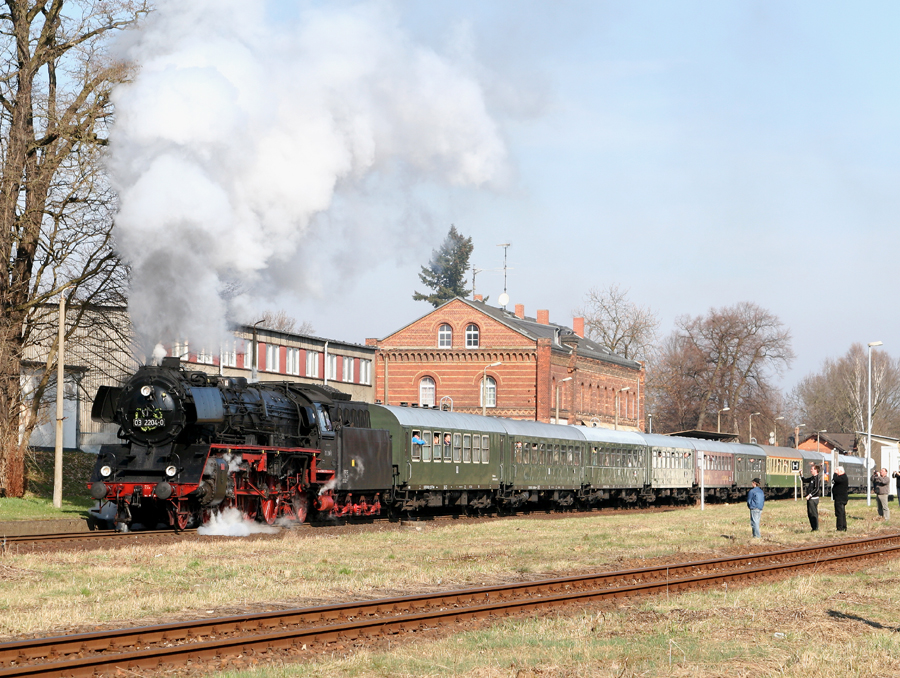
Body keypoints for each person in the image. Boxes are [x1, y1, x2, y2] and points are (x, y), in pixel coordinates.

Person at [800, 464, 821, 531]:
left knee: (813, 513)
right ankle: (813, 527)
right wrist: (801, 474)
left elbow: (817, 489)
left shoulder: (817, 478)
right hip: (810, 499)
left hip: (813, 499)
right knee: (810, 513)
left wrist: (810, 495)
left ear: (816, 470)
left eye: (812, 469)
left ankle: (815, 528)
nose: (810, 470)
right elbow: (805, 480)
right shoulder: (812, 478)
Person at [832, 466, 849, 532]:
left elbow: (836, 479)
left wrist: (834, 474)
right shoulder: (842, 477)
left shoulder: (843, 477)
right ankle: (843, 526)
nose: (836, 471)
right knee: (841, 513)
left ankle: (840, 527)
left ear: (841, 471)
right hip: (839, 498)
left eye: (837, 470)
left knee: (840, 513)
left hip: (840, 498)